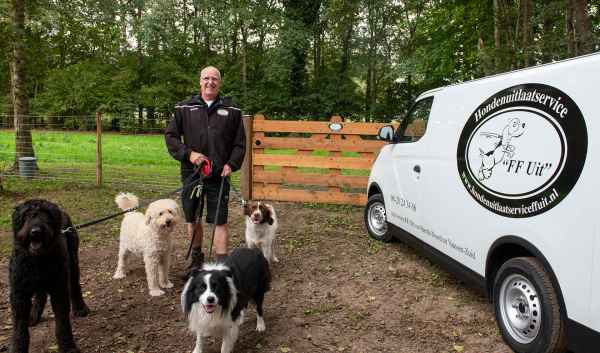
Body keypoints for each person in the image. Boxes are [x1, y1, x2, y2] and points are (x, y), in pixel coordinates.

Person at [165, 66, 246, 275]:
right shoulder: (184, 107)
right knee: (193, 218)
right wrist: (189, 154)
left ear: (220, 83)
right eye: (206, 78)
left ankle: (221, 265)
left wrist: (232, 164)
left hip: (219, 175)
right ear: (200, 81)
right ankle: (196, 262)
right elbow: (171, 137)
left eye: (215, 79)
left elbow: (239, 144)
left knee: (220, 219)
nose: (210, 82)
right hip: (192, 174)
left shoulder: (232, 111)